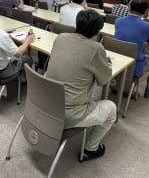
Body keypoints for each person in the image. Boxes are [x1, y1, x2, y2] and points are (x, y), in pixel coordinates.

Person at [46, 9, 116, 162]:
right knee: (111, 109)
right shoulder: (97, 48)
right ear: (97, 32)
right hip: (68, 113)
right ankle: (90, 149)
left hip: (45, 102)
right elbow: (103, 80)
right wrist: (107, 64)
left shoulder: (61, 37)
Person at [114, 0, 149, 95]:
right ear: (145, 11)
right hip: (133, 63)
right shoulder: (148, 26)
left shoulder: (118, 21)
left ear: (129, 7)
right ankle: (129, 86)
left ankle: (119, 84)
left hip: (115, 60)